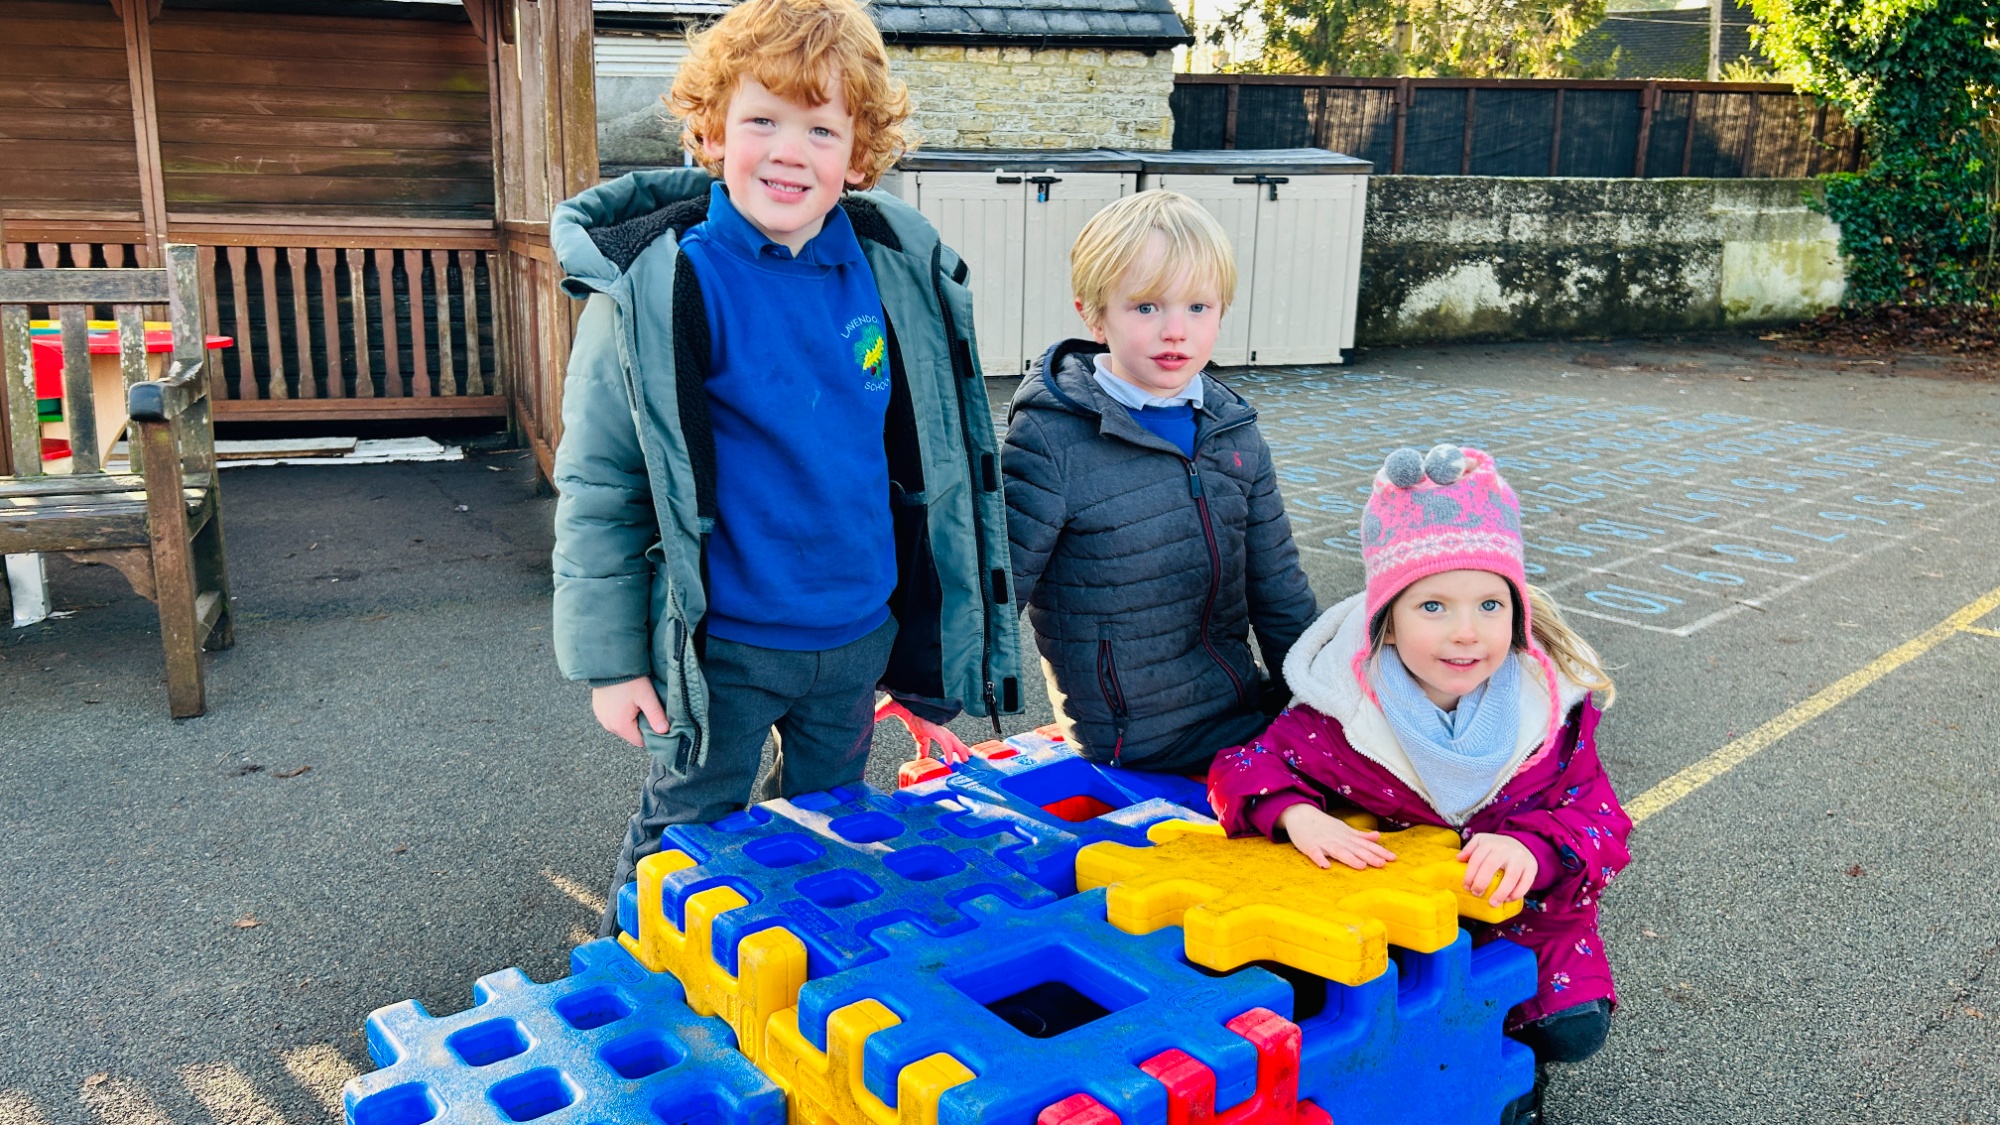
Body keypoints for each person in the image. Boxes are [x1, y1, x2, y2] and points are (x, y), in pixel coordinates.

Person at [547, 0, 1020, 935]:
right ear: (713, 130)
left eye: (821, 129)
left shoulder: (890, 268)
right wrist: (611, 663)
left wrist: (929, 644)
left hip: (855, 639)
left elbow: (936, 458)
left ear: (860, 153)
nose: (789, 152)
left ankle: (784, 967)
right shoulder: (663, 281)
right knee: (689, 832)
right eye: (762, 119)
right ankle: (632, 977)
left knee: (821, 833)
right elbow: (603, 484)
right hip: (724, 646)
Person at [1207, 444, 1630, 1113]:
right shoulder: (1345, 713)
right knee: (1337, 1011)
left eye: (1490, 605)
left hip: (1521, 922)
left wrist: (1534, 847)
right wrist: (1294, 813)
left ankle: (1510, 1072)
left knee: (1567, 1027)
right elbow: (1244, 765)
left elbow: (1599, 818)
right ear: (1386, 621)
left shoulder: (1546, 710)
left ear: (1517, 611)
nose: (1467, 633)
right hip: (1398, 929)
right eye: (1433, 606)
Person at [1003, 191, 1318, 775]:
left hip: (1237, 703)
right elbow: (997, 584)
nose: (1176, 331)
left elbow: (1278, 588)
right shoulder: (1052, 435)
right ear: (1095, 315)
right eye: (1146, 307)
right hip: (1135, 734)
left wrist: (1319, 695)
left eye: (1198, 307)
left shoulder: (1232, 427)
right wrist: (928, 695)